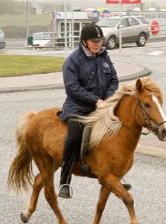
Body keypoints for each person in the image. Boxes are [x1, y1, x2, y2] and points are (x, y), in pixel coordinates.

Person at [58, 24, 120, 199]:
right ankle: (64, 181)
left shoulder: (104, 57)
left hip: (101, 107)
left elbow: (114, 80)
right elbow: (72, 88)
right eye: (94, 41)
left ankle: (114, 175)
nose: (98, 44)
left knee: (117, 132)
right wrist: (95, 101)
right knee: (74, 138)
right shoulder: (73, 60)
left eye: (100, 41)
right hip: (78, 108)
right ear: (84, 42)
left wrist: (107, 99)